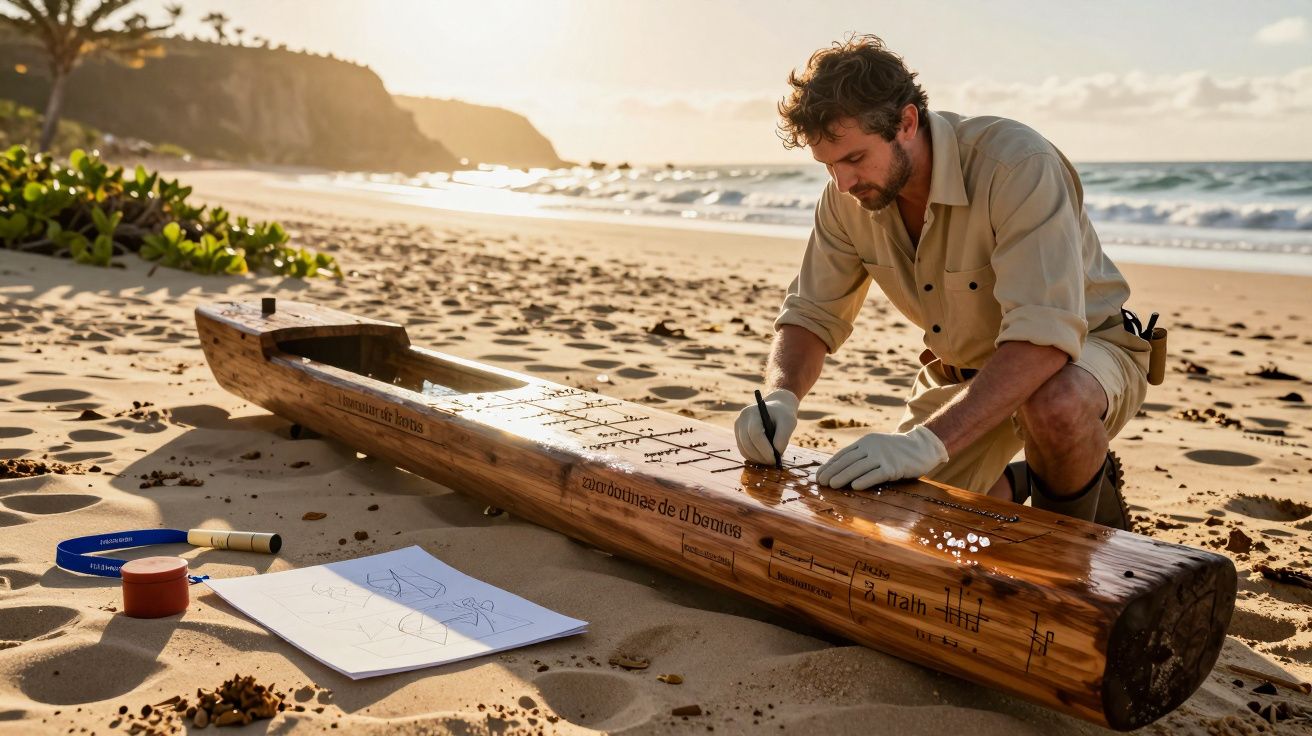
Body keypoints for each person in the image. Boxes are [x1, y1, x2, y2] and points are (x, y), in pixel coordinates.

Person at [734, 35, 1152, 529]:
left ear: (907, 123)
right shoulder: (845, 199)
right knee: (902, 526)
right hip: (961, 375)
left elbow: (1045, 339)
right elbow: (811, 315)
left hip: (1082, 354)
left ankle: (1076, 539)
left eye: (854, 159)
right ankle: (1029, 480)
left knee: (1055, 404)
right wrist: (780, 396)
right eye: (828, 165)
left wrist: (925, 444)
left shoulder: (1017, 165)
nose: (842, 182)